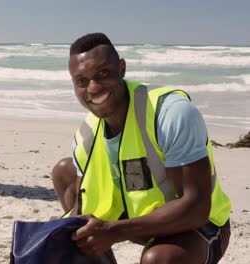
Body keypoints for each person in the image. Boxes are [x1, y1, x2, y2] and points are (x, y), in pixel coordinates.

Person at [51, 33, 231, 263]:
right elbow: (80, 211)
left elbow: (197, 207)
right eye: (81, 81)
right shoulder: (85, 135)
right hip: (137, 219)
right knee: (64, 171)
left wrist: (114, 231)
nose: (93, 88)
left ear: (122, 68)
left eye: (103, 74)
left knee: (158, 260)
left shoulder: (169, 112)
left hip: (200, 226)